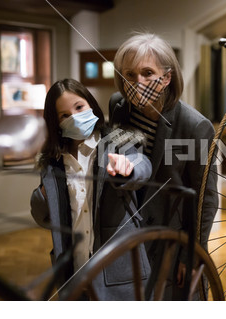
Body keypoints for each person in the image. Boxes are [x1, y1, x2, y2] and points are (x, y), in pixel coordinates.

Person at [109, 32, 218, 300]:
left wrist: (191, 254)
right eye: (130, 75)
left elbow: (206, 199)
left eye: (148, 73)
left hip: (171, 243)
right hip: (126, 239)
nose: (138, 83)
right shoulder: (118, 107)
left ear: (167, 77)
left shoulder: (195, 126)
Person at [30, 78, 152, 300]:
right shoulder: (53, 163)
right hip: (74, 273)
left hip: (119, 272)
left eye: (79, 107)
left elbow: (143, 165)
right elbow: (44, 217)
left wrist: (128, 167)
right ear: (55, 123)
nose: (75, 117)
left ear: (91, 105)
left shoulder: (117, 143)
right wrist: (42, 196)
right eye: (64, 115)